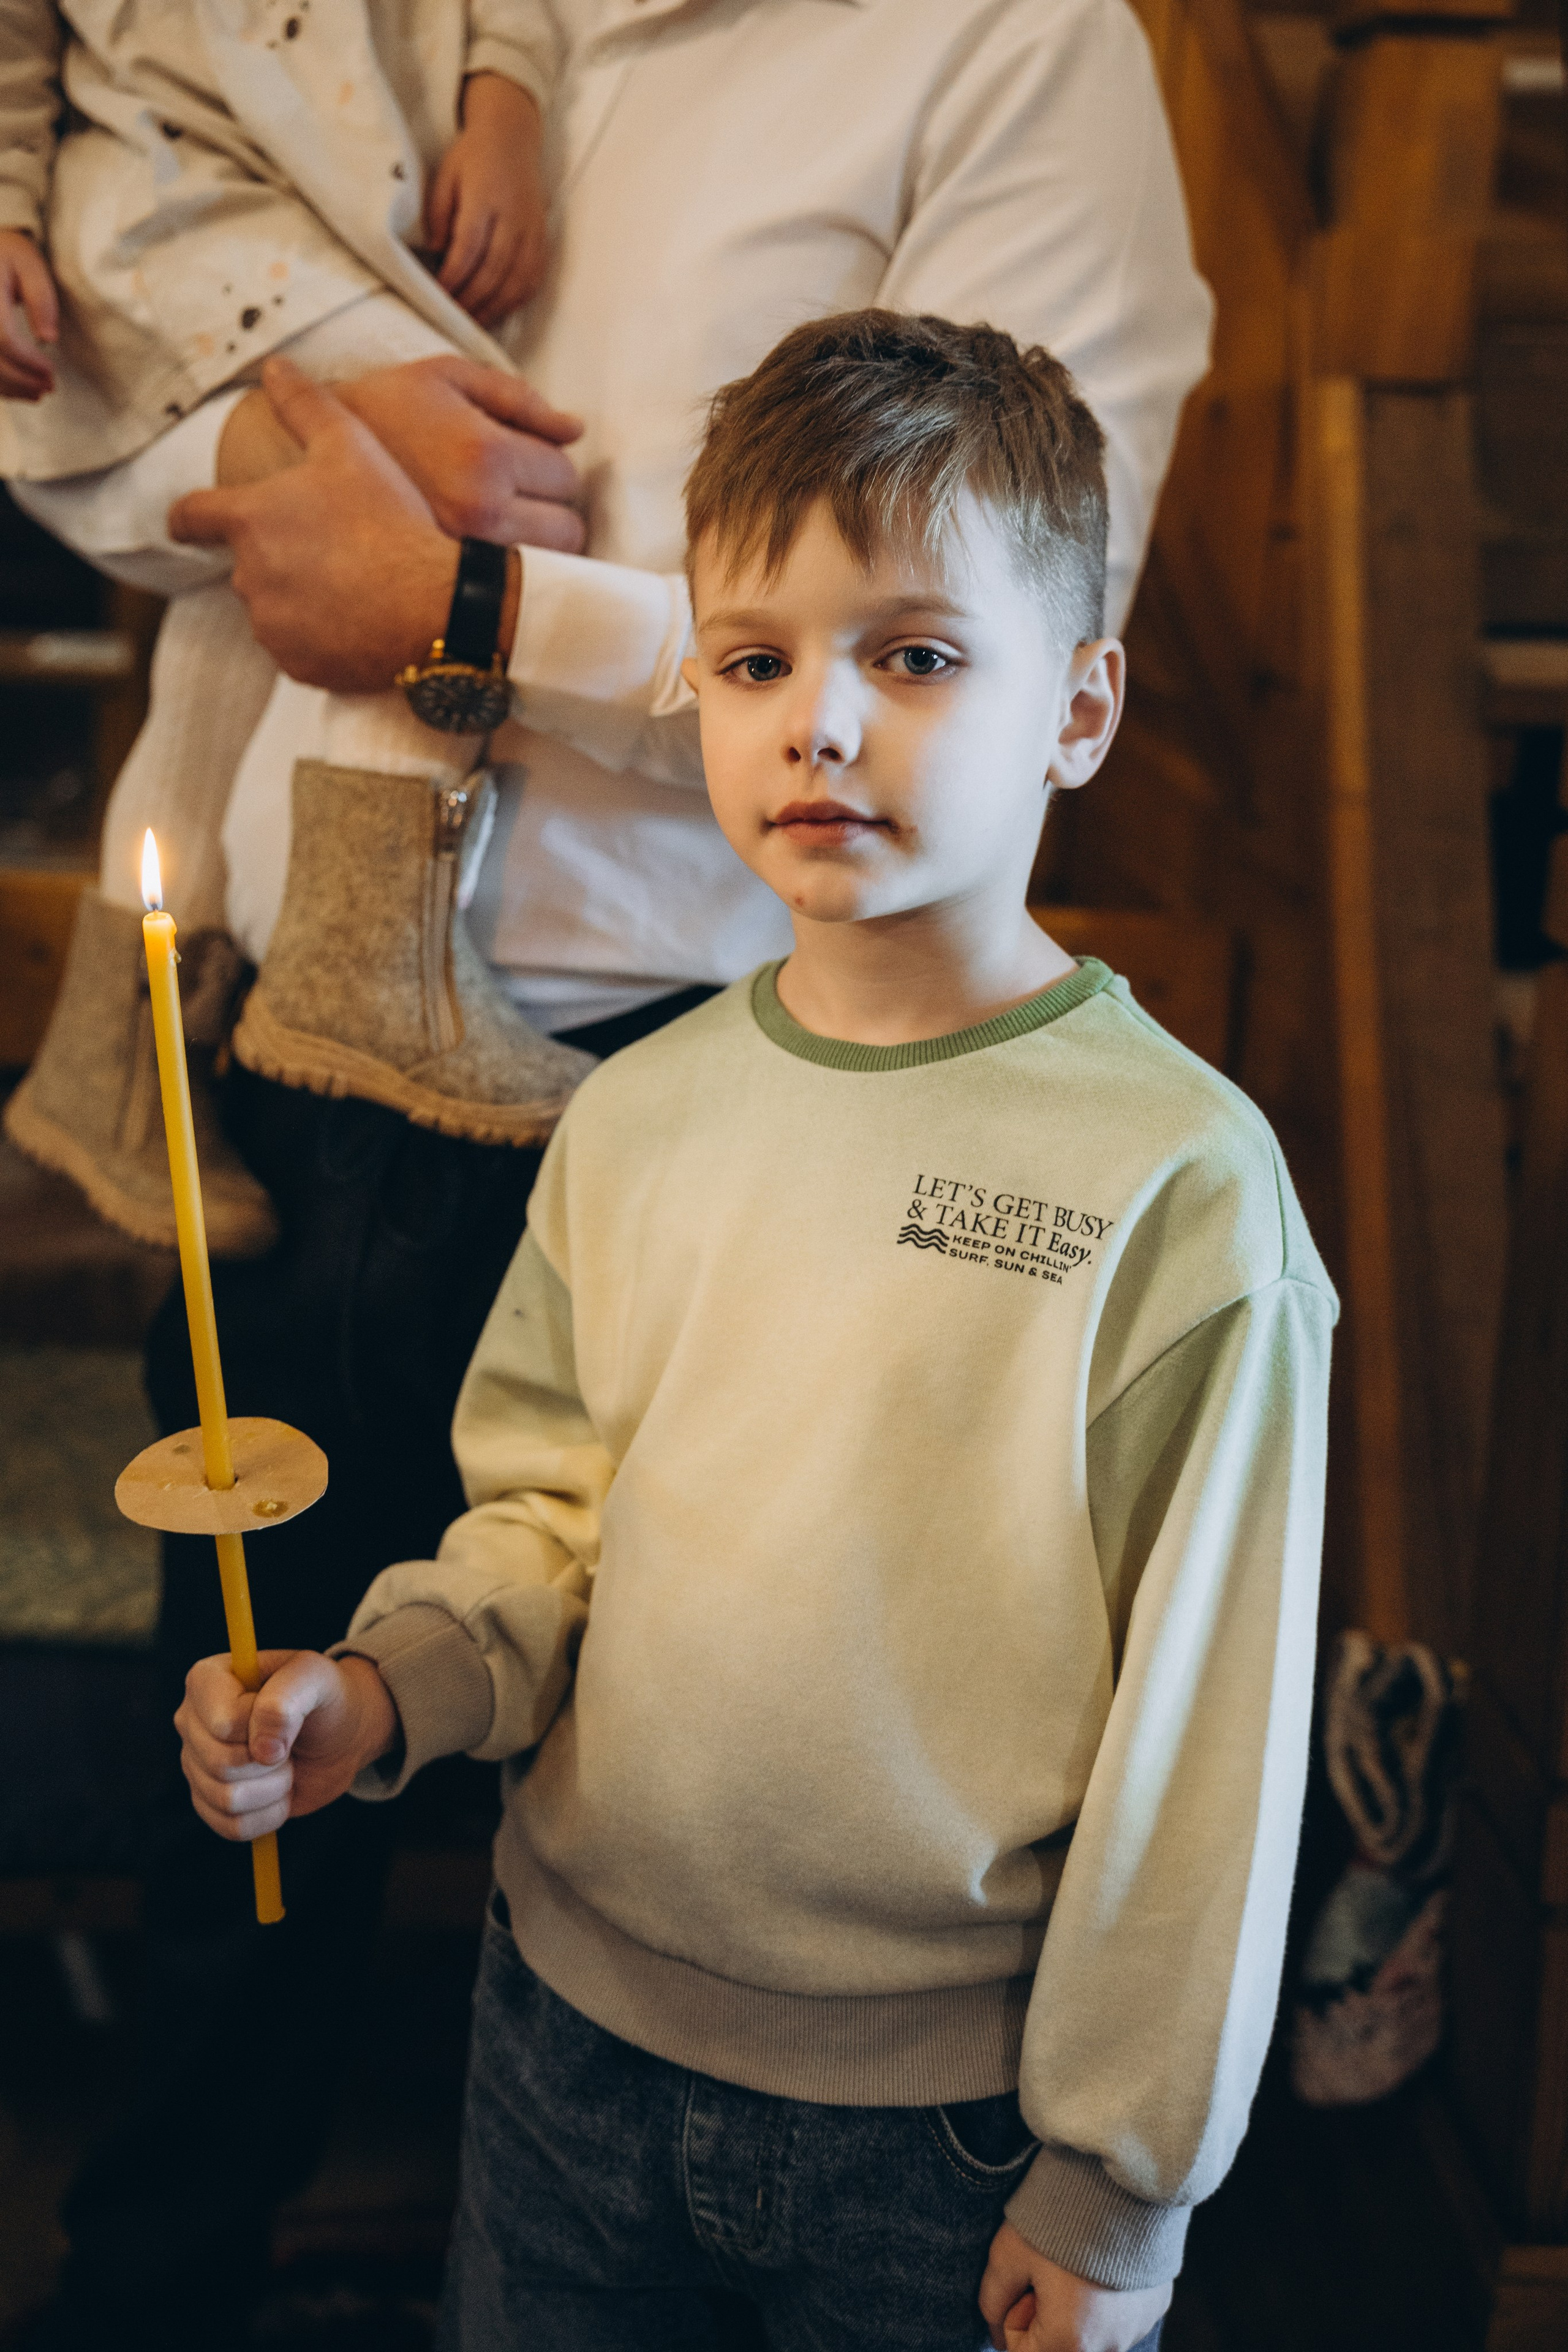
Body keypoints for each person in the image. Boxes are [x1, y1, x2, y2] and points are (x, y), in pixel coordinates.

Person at [26, 2, 1214, 2338]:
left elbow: (1011, 620)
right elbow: (114, 414)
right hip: (302, 1038)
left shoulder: (1012, 40)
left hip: (718, 1073)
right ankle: (164, 2288)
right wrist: (264, 436)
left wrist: (470, 607)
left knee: (683, 1772)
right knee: (252, 1759)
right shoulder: (424, 27)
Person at [176, 312, 1335, 2352]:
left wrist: (1115, 2185)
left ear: (1079, 709)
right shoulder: (637, 1114)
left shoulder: (1186, 1187)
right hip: (561, 2047)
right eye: (753, 661)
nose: (820, 727)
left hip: (947, 2138)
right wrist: (376, 1692)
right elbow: (545, 1528)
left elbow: (1209, 1740)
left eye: (916, 656)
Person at [0, 0, 589, 1251]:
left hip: (348, 211)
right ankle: (369, 956)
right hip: (176, 210)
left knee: (269, 557)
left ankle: (119, 1051)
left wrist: (507, 103)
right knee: (470, 481)